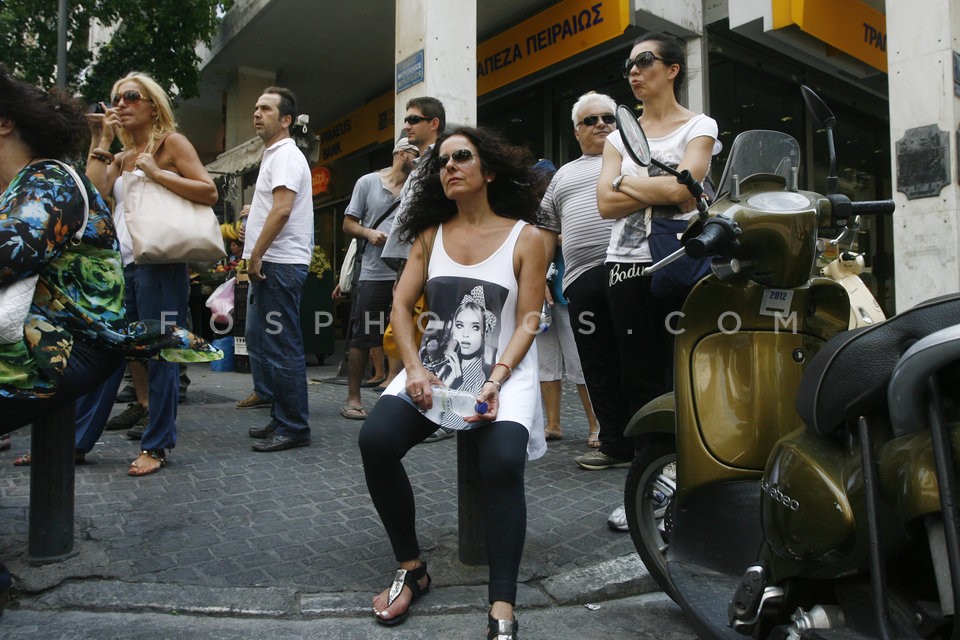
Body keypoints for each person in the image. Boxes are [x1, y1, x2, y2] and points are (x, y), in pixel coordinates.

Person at [358, 127, 547, 639]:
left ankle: (502, 606)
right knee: (375, 441)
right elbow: (399, 304)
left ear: (488, 170)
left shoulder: (527, 237)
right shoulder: (428, 236)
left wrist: (497, 377)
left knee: (503, 463)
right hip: (433, 370)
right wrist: (414, 368)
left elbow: (530, 318)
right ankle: (412, 568)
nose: (449, 167)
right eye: (441, 161)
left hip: (504, 372)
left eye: (461, 157)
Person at [0, 67, 220, 452]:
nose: (121, 104)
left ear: (153, 106)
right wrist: (101, 138)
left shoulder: (171, 143)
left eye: (131, 96)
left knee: (160, 351)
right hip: (125, 266)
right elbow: (90, 193)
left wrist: (156, 172)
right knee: (108, 348)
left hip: (161, 262)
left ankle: (157, 445)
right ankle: (77, 443)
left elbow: (209, 191)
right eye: (116, 98)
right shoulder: (119, 157)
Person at [596, 32, 721, 527]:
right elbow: (605, 203)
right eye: (628, 63)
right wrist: (658, 187)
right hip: (624, 264)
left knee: (683, 374)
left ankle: (693, 481)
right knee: (638, 379)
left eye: (645, 61)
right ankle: (651, 486)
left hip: (678, 261)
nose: (634, 70)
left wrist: (626, 181)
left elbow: (687, 191)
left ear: (672, 69)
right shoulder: (614, 137)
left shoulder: (700, 124)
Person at [537, 92, 631, 472]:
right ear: (576, 131)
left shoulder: (635, 160)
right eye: (591, 120)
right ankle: (615, 445)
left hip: (629, 270)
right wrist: (539, 280)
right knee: (596, 364)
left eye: (608, 118)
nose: (601, 125)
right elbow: (545, 230)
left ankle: (654, 445)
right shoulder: (562, 175)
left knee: (636, 359)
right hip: (578, 280)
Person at [378, 97, 455, 442]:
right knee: (420, 333)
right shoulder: (422, 162)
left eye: (413, 119)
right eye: (405, 120)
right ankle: (426, 408)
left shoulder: (443, 159)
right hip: (414, 260)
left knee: (438, 335)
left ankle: (443, 416)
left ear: (434, 122)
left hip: (430, 259)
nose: (406, 125)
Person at [242, 86, 314, 452]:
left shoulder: (286, 155)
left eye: (266, 108)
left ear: (285, 120)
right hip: (275, 262)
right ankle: (282, 419)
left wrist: (256, 255)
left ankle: (294, 426)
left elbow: (283, 209)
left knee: (283, 346)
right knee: (271, 343)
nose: (257, 113)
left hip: (279, 264)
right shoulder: (275, 155)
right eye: (256, 107)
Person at [339, 137, 418, 420]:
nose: (419, 159)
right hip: (374, 273)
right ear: (401, 153)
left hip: (408, 272)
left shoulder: (417, 187)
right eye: (415, 153)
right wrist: (369, 234)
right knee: (365, 334)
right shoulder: (368, 183)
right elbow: (348, 223)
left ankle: (408, 396)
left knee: (411, 331)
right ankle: (353, 398)